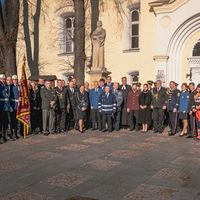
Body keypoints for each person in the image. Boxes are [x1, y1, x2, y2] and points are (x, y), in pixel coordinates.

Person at [0, 74, 10, 143]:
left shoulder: (6, 86)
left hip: (6, 106)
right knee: (1, 122)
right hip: (1, 106)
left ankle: (5, 135)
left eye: (3, 79)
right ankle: (1, 137)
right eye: (1, 79)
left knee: (6, 122)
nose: (3, 80)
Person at [10, 75, 20, 140]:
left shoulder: (19, 87)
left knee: (18, 120)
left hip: (19, 105)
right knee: (13, 120)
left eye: (16, 80)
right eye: (14, 80)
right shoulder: (11, 87)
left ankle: (18, 132)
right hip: (13, 105)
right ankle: (13, 133)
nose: (15, 81)